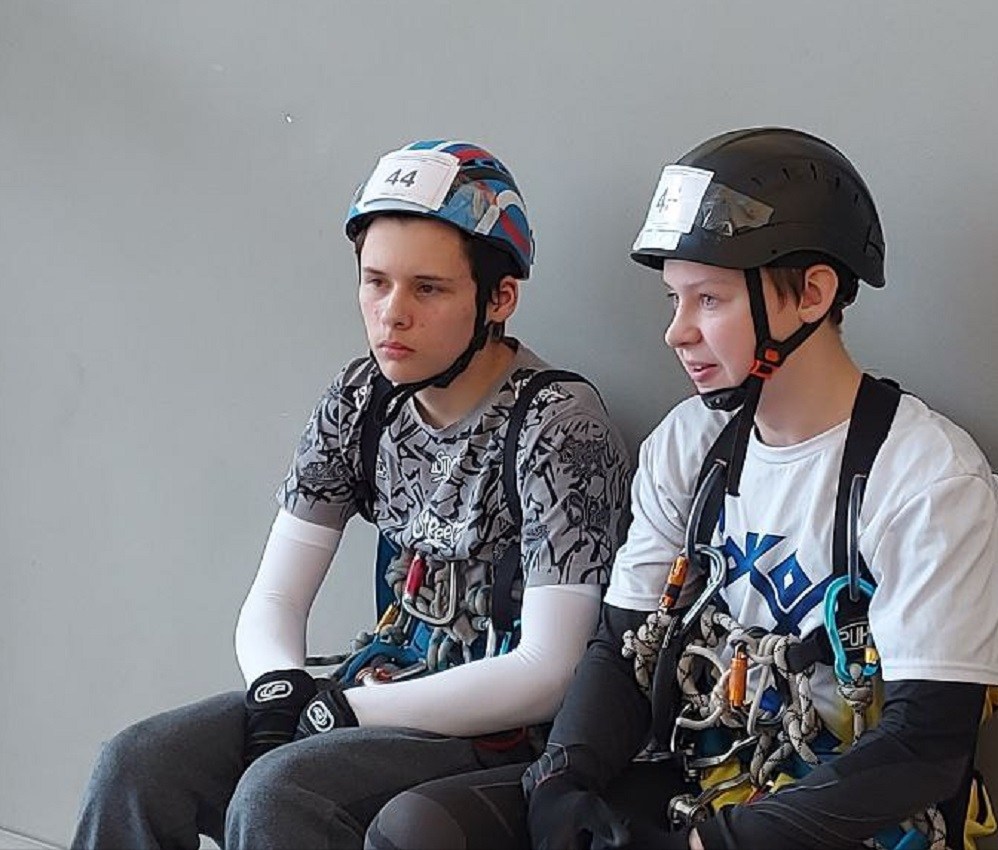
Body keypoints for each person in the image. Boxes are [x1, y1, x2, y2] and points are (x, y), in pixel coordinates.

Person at [364, 127, 998, 850]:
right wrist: (562, 782)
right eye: (674, 300)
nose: (676, 333)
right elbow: (621, 651)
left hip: (840, 820)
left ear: (812, 293)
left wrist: (712, 845)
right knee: (419, 827)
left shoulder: (931, 480)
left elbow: (923, 747)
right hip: (690, 779)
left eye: (708, 300)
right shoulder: (688, 441)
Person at [70, 139, 631, 850]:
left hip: (502, 729)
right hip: (376, 686)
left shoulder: (557, 423)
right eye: (375, 282)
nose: (391, 314)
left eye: (428, 289)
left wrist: (349, 712)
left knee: (282, 793)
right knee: (138, 764)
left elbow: (548, 672)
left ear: (499, 298)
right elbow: (276, 596)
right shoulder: (362, 398)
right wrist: (278, 690)